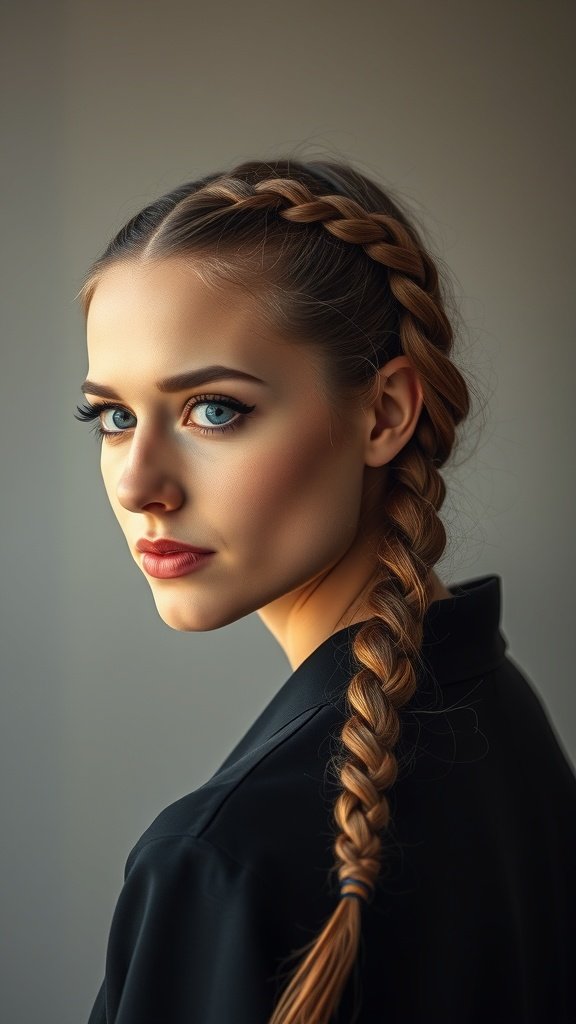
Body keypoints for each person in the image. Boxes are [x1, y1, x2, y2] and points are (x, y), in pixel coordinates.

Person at [75, 157, 576, 1024]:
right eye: (114, 417)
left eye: (214, 410)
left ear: (386, 413)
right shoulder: (492, 696)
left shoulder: (218, 861)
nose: (137, 484)